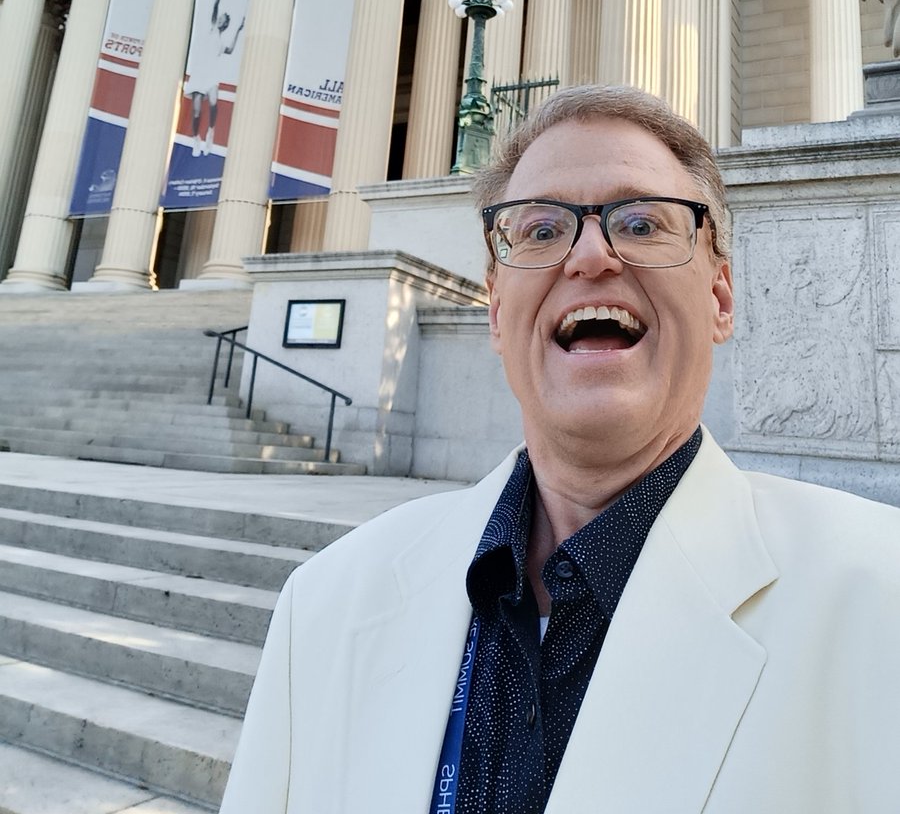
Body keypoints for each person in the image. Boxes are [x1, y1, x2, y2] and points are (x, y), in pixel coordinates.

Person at [219, 84, 900, 814]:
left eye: (642, 223)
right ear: (497, 309)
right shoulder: (322, 607)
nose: (591, 256)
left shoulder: (878, 600)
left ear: (720, 300)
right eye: (541, 230)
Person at [183, 0, 244, 157]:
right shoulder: (211, 29)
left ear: (225, 24)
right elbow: (216, 5)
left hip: (211, 76)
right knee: (196, 112)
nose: (219, 20)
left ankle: (210, 131)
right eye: (219, 18)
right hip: (199, 74)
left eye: (222, 20)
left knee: (214, 103)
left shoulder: (221, 40)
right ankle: (196, 139)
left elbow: (231, 49)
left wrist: (238, 30)